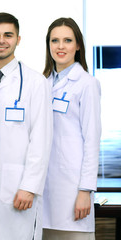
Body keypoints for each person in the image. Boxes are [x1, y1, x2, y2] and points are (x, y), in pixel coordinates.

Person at [0, 12, 53, 239]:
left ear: (18, 40)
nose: (1, 40)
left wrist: (29, 186)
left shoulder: (35, 82)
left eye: (8, 35)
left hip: (17, 189)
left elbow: (41, 138)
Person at [42, 17, 101, 240]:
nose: (60, 46)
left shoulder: (87, 84)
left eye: (67, 40)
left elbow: (92, 140)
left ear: (78, 45)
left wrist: (86, 191)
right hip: (44, 190)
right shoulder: (43, 83)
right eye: (55, 40)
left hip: (72, 191)